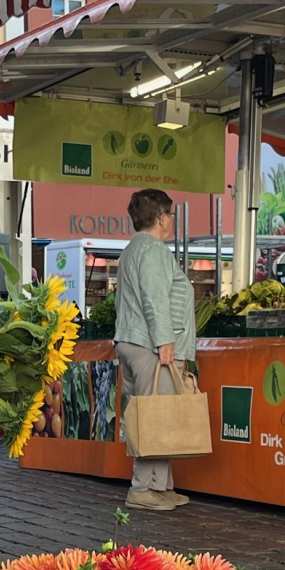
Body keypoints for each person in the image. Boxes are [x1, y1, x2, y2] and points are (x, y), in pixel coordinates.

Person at [114, 188, 195, 512]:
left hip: (133, 341)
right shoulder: (153, 251)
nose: (172, 220)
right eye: (171, 214)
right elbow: (155, 299)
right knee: (155, 418)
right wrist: (166, 341)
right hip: (149, 344)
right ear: (161, 218)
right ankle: (144, 488)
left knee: (154, 415)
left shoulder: (134, 248)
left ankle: (160, 486)